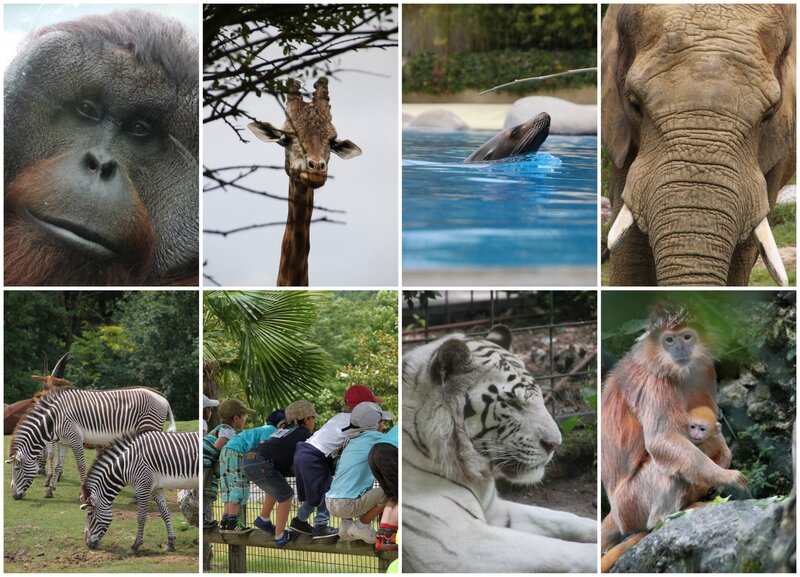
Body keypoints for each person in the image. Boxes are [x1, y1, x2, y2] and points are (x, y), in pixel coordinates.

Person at [292, 385, 381, 538]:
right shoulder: (356, 422)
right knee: (324, 491)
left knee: (321, 490)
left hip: (306, 452)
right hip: (315, 456)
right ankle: (319, 524)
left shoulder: (339, 417)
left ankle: (302, 520)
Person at [243, 400, 321, 547]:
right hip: (262, 462)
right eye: (313, 419)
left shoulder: (285, 429)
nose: (313, 423)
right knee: (286, 496)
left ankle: (263, 518)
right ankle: (280, 536)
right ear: (306, 419)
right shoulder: (303, 433)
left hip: (249, 458)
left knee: (275, 486)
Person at [325, 401, 394, 544]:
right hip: (347, 505)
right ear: (375, 424)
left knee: (351, 483)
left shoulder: (351, 439)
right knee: (391, 492)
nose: (384, 425)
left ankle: (346, 527)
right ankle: (362, 525)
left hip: (330, 501)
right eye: (382, 422)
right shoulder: (375, 438)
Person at [217, 408, 285, 532]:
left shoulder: (261, 428)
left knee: (228, 487)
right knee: (239, 485)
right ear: (281, 424)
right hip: (237, 452)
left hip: (226, 451)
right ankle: (232, 522)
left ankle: (225, 521)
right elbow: (264, 445)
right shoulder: (271, 430)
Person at [203, 398, 253, 530]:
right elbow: (219, 444)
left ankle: (225, 520)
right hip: (204, 461)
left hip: (203, 460)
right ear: (236, 418)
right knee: (206, 492)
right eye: (244, 416)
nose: (245, 419)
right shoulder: (228, 431)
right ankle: (232, 522)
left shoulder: (220, 428)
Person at [369, 422, 398, 552]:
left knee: (393, 496)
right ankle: (388, 537)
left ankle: (381, 537)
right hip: (390, 451)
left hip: (375, 451)